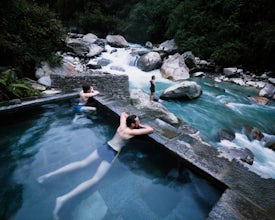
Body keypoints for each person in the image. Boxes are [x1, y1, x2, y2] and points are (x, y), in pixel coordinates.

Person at [37, 112, 154, 220]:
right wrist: (141, 125)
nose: (139, 122)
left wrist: (131, 119)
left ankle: (47, 176)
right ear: (133, 124)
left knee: (82, 163)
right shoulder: (131, 132)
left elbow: (123, 114)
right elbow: (151, 129)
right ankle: (62, 199)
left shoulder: (122, 126)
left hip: (105, 146)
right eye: (137, 121)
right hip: (111, 153)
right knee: (95, 179)